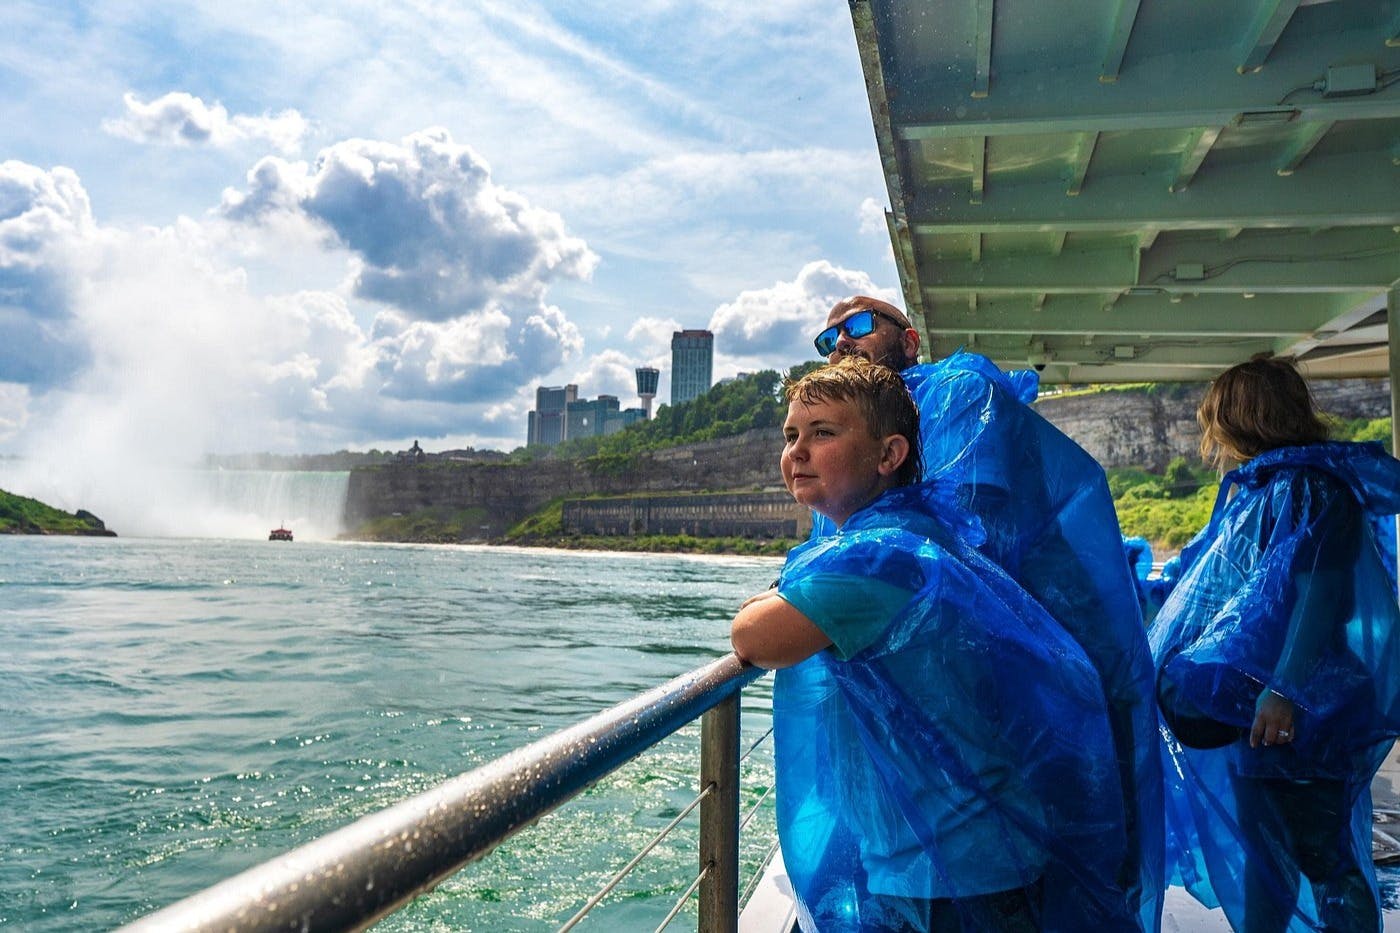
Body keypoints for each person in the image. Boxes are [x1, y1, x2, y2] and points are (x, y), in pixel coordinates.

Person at [732, 357, 1135, 932]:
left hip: (953, 868)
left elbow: (757, 637)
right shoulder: (917, 538)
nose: (797, 451)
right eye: (791, 434)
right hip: (975, 849)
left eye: (823, 433)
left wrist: (762, 601)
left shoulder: (882, 557)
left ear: (889, 455)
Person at [812, 296, 1163, 928]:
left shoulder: (955, 390)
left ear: (910, 339)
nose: (841, 339)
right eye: (828, 335)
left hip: (1037, 657)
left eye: (859, 324)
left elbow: (959, 527)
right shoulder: (858, 425)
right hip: (974, 671)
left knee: (1066, 844)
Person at [1149, 354, 1400, 932]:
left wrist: (1282, 690)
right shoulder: (1270, 489)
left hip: (1303, 712)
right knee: (1270, 861)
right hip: (1262, 712)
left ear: (1242, 419)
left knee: (1326, 861)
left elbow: (1319, 596)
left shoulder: (1312, 489)